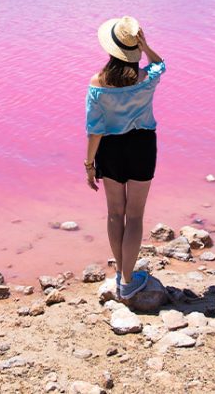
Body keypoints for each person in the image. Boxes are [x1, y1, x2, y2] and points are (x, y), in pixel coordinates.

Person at [84, 15, 165, 300]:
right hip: (142, 146)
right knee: (135, 215)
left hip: (111, 149)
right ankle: (129, 281)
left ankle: (121, 275)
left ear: (111, 49)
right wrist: (147, 46)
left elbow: (94, 131)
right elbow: (160, 64)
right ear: (135, 49)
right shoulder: (147, 79)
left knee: (115, 214)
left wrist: (89, 165)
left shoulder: (97, 83)